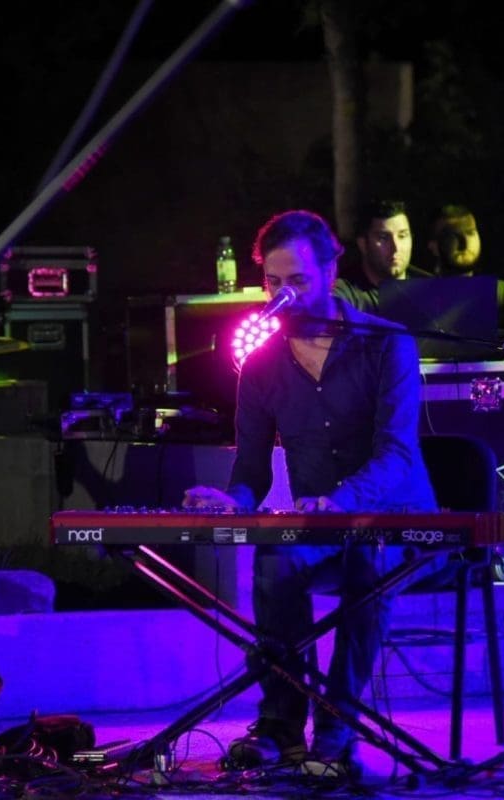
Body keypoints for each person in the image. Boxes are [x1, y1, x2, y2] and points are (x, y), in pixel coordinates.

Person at [184, 210, 437, 776]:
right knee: (275, 560)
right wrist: (234, 503)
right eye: (273, 282)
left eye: (297, 280)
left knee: (370, 564)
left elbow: (396, 454)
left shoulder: (387, 344)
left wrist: (341, 500)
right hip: (319, 526)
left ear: (330, 273)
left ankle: (335, 730)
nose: (284, 295)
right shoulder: (260, 364)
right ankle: (280, 726)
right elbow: (250, 469)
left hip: (396, 519)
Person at [427, 203, 504, 327]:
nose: (464, 243)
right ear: (433, 245)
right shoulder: (420, 296)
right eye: (453, 235)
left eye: (470, 232)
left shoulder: (500, 293)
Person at [334, 200, 432, 313]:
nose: (396, 247)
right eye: (383, 238)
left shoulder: (430, 288)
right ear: (363, 244)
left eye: (402, 236)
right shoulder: (345, 292)